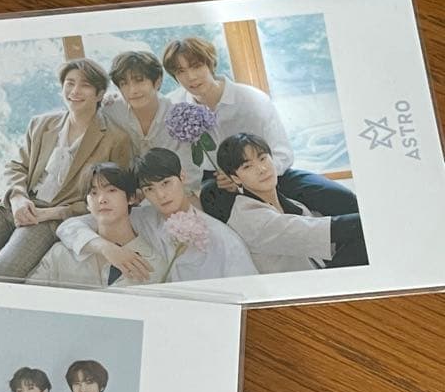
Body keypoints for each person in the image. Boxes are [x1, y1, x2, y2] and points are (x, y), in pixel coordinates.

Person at [162, 36, 358, 221]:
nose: (191, 77)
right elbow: (182, 164)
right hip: (219, 182)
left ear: (210, 63)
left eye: (196, 66)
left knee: (342, 199)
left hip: (269, 173)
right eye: (180, 71)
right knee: (214, 198)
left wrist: (254, 177)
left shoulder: (251, 99)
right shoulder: (174, 107)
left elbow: (282, 153)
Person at [0, 58, 133, 282]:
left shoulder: (116, 139)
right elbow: (16, 166)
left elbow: (114, 195)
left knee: (0, 273)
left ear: (100, 94)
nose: (75, 91)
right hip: (14, 204)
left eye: (85, 85)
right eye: (69, 83)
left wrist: (53, 213)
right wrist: (17, 197)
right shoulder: (40, 124)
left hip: (49, 219)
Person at [54, 151, 260, 283]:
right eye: (150, 189)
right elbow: (70, 227)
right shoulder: (141, 217)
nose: (161, 195)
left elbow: (249, 288)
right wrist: (107, 248)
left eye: (166, 183)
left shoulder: (221, 237)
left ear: (182, 177)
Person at [215, 133, 368, 271]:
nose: (261, 169)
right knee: (365, 234)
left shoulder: (291, 204)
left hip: (319, 274)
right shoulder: (250, 219)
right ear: (235, 178)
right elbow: (326, 230)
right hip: (301, 288)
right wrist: (374, 216)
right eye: (247, 166)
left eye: (262, 158)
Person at [27, 162, 164, 287]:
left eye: (111, 190)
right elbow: (27, 298)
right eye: (94, 193)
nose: (102, 199)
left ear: (131, 198)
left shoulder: (153, 264)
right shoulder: (61, 254)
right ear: (87, 204)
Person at [102, 50, 202, 190]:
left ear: (157, 81)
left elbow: (190, 173)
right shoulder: (111, 109)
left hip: (173, 192)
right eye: (124, 83)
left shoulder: (177, 117)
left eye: (139, 80)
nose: (133, 90)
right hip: (128, 193)